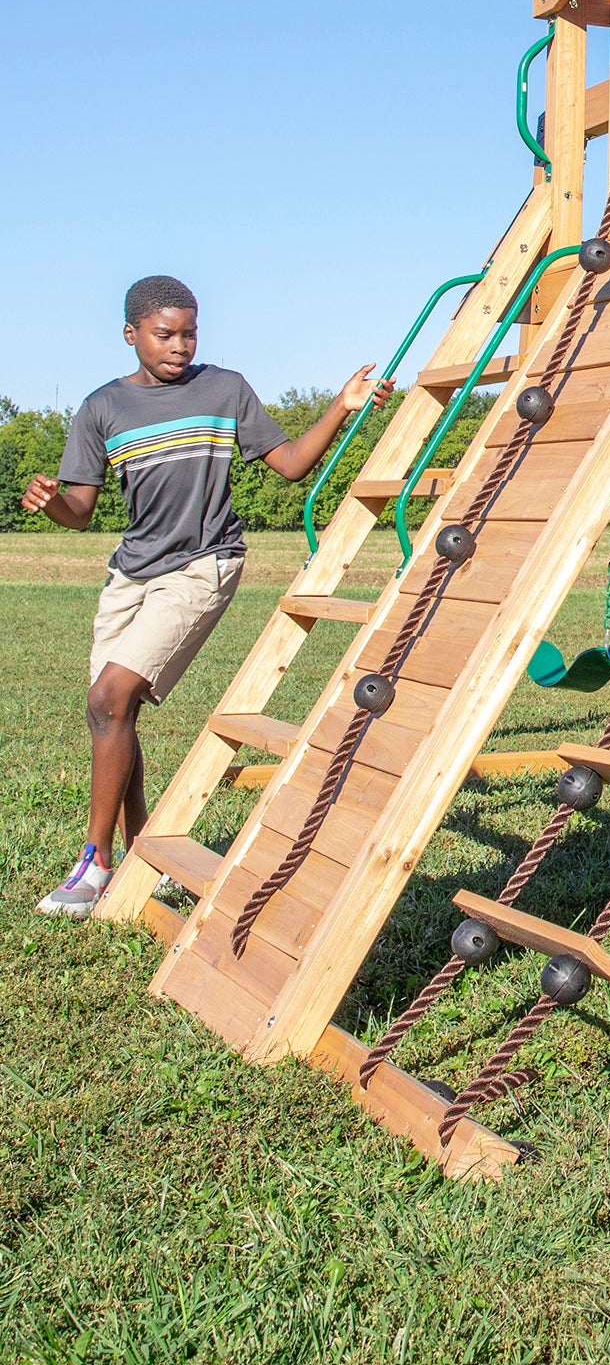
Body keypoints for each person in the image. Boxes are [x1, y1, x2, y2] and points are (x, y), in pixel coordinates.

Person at [22, 277, 392, 919]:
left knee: (108, 698)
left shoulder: (224, 389)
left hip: (204, 564)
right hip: (131, 573)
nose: (180, 345)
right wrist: (51, 502)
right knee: (114, 713)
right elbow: (79, 512)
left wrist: (340, 407)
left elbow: (292, 464)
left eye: (190, 331)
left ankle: (95, 862)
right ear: (131, 333)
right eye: (165, 333)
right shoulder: (101, 408)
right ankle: (144, 852)